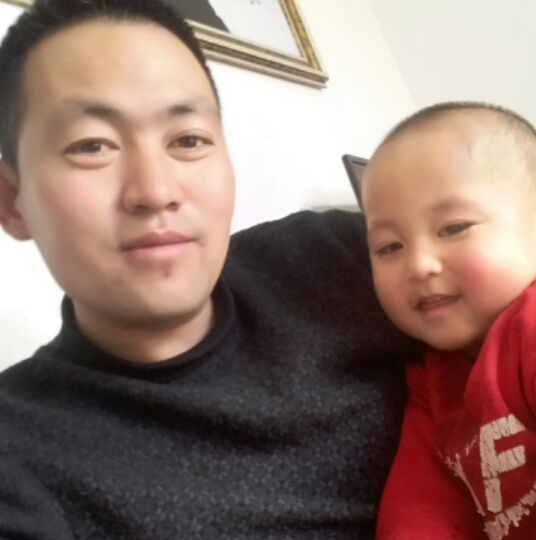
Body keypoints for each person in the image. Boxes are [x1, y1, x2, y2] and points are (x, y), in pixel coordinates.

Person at [0, 1, 418, 538]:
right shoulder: (17, 456)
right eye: (92, 146)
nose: (156, 191)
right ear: (12, 201)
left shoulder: (347, 259)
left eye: (188, 140)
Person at [360, 102, 536, 539]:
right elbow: (419, 511)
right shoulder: (433, 382)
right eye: (390, 247)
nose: (419, 265)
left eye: (454, 227)